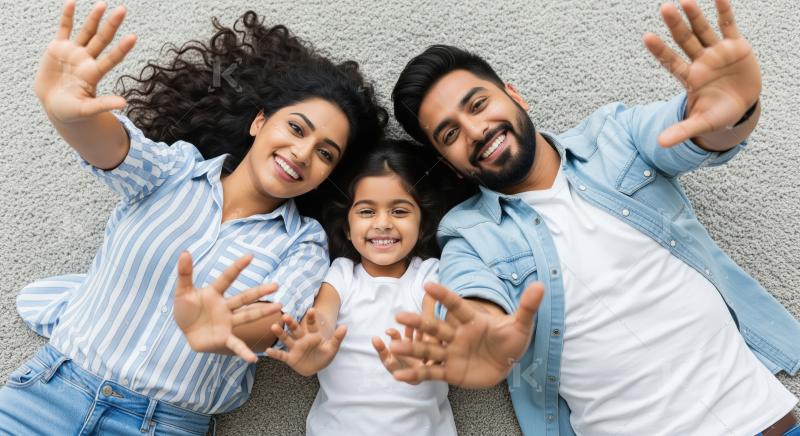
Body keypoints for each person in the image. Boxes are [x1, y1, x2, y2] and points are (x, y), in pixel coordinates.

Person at [386, 0, 800, 435]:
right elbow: (470, 299)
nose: (475, 130)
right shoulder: (469, 235)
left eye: (478, 105)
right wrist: (485, 340)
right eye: (449, 134)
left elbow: (694, 131)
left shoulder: (614, 136)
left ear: (514, 95)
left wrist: (735, 110)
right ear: (449, 164)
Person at [3, 2, 386, 434]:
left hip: (161, 426)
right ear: (260, 121)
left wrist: (228, 328)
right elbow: (107, 146)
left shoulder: (304, 243)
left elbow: (275, 325)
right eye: (296, 129)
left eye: (325, 153)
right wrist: (68, 112)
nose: (302, 153)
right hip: (46, 395)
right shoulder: (174, 171)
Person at [265, 141, 462, 436]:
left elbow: (435, 320)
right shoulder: (341, 275)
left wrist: (427, 349)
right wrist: (311, 346)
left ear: (422, 226)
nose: (382, 223)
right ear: (347, 226)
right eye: (367, 212)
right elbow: (322, 319)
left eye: (399, 211)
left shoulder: (429, 274)